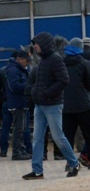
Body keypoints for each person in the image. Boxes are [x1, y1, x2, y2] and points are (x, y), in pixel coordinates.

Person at [23, 31, 78, 180]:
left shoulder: (55, 60)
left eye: (36, 44)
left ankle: (74, 163)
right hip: (40, 105)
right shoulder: (42, 62)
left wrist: (46, 93)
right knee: (37, 138)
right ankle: (37, 170)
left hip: (53, 105)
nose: (34, 47)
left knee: (58, 136)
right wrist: (35, 92)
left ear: (44, 45)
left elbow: (64, 80)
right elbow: (37, 80)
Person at [61, 37, 90, 167]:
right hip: (83, 105)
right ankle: (85, 156)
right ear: (80, 48)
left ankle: (70, 162)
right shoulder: (84, 63)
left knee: (68, 136)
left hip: (65, 106)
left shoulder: (61, 63)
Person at [4, 51, 32, 161]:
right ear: (20, 59)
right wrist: (28, 85)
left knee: (22, 128)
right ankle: (17, 152)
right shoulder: (13, 70)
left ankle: (21, 150)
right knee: (18, 129)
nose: (27, 64)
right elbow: (14, 86)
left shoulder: (18, 70)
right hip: (18, 103)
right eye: (26, 61)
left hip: (21, 102)